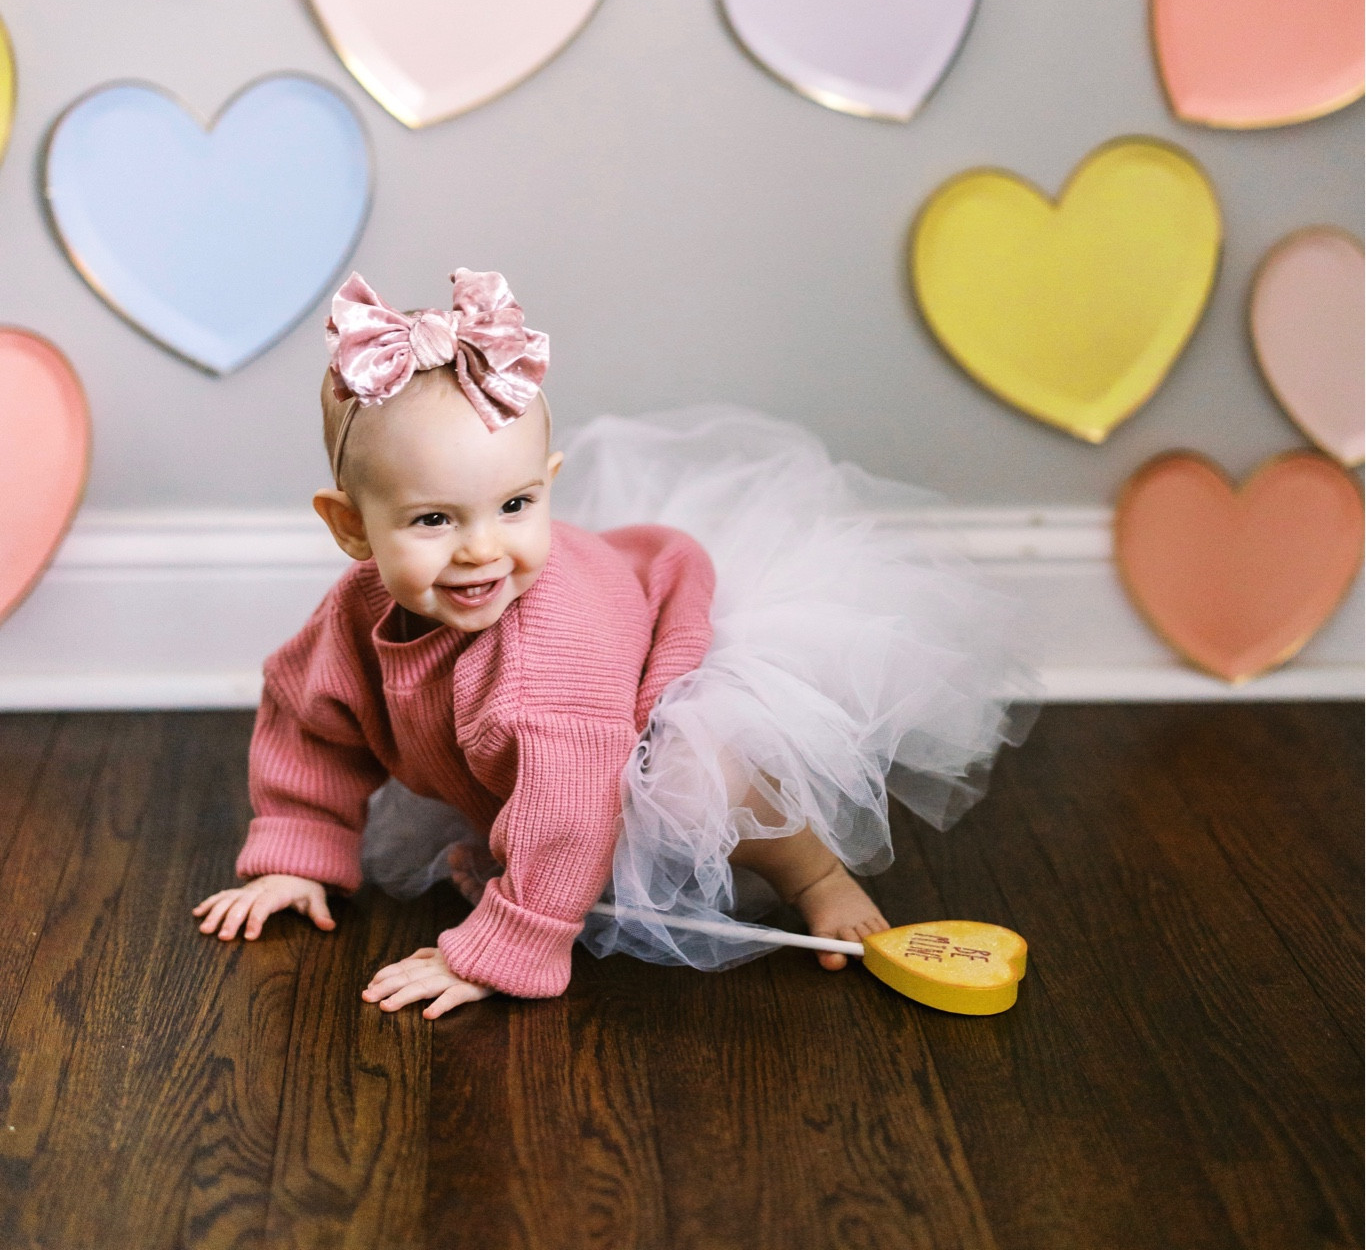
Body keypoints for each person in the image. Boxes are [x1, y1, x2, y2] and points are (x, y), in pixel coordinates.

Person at [194, 268, 1033, 1017]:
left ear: (547, 485)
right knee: (512, 779)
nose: (482, 548)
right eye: (433, 519)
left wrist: (498, 950)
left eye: (515, 506)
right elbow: (311, 720)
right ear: (351, 527)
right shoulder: (353, 615)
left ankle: (814, 874)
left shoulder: (540, 666)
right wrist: (299, 853)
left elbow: (567, 810)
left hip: (641, 696)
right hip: (550, 729)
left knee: (709, 781)